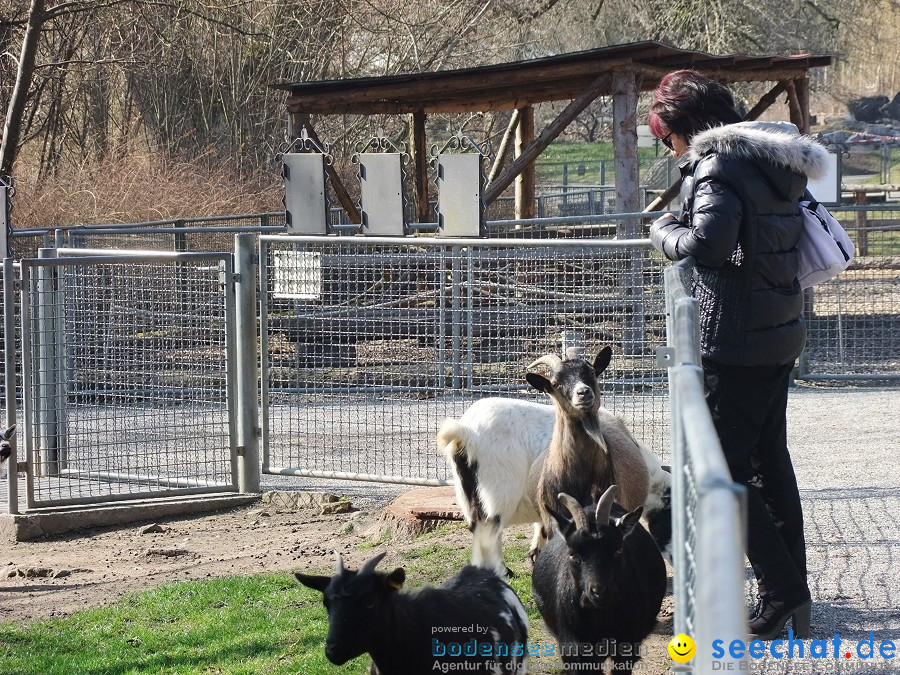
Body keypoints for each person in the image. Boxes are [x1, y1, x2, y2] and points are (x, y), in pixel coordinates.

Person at [647, 70, 829, 640]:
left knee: (726, 470)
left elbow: (710, 245)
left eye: (669, 136)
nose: (670, 147)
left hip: (738, 340)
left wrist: (663, 233)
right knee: (770, 460)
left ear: (686, 128)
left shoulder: (718, 165)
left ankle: (783, 592)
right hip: (779, 330)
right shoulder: (773, 162)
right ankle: (791, 588)